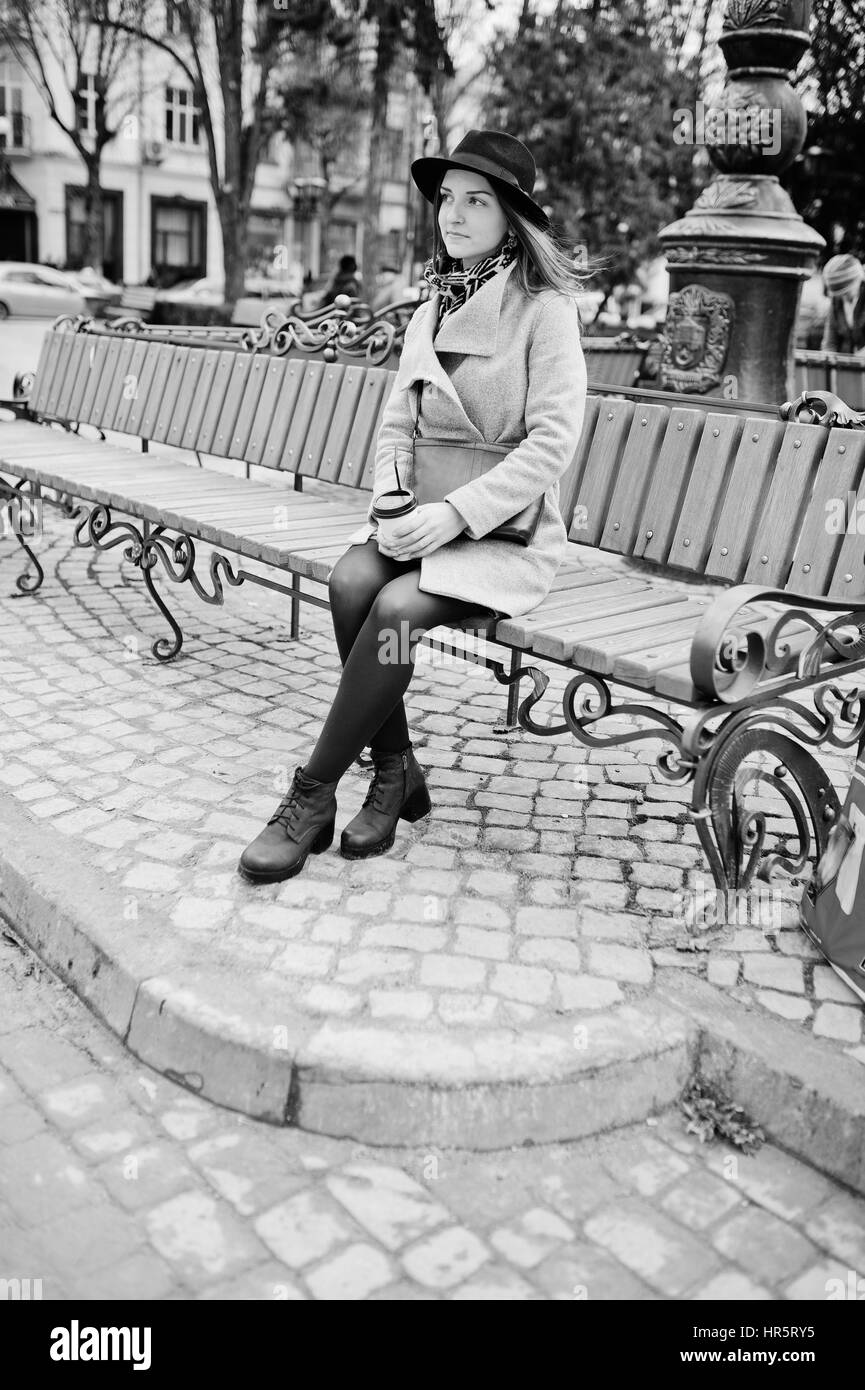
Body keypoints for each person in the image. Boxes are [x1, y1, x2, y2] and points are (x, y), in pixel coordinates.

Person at [238, 129, 588, 883]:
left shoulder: (543, 310)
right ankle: (397, 769)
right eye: (446, 201)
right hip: (421, 514)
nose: (453, 216)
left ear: (511, 217)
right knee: (350, 583)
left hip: (503, 535)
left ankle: (310, 796)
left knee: (394, 610)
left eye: (476, 201)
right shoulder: (433, 309)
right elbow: (397, 424)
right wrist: (392, 502)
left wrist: (455, 514)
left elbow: (553, 443)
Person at [821, 253, 865, 359]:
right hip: (846, 368)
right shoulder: (836, 301)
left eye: (846, 292)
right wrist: (828, 358)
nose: (843, 297)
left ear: (859, 281)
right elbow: (830, 342)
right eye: (839, 294)